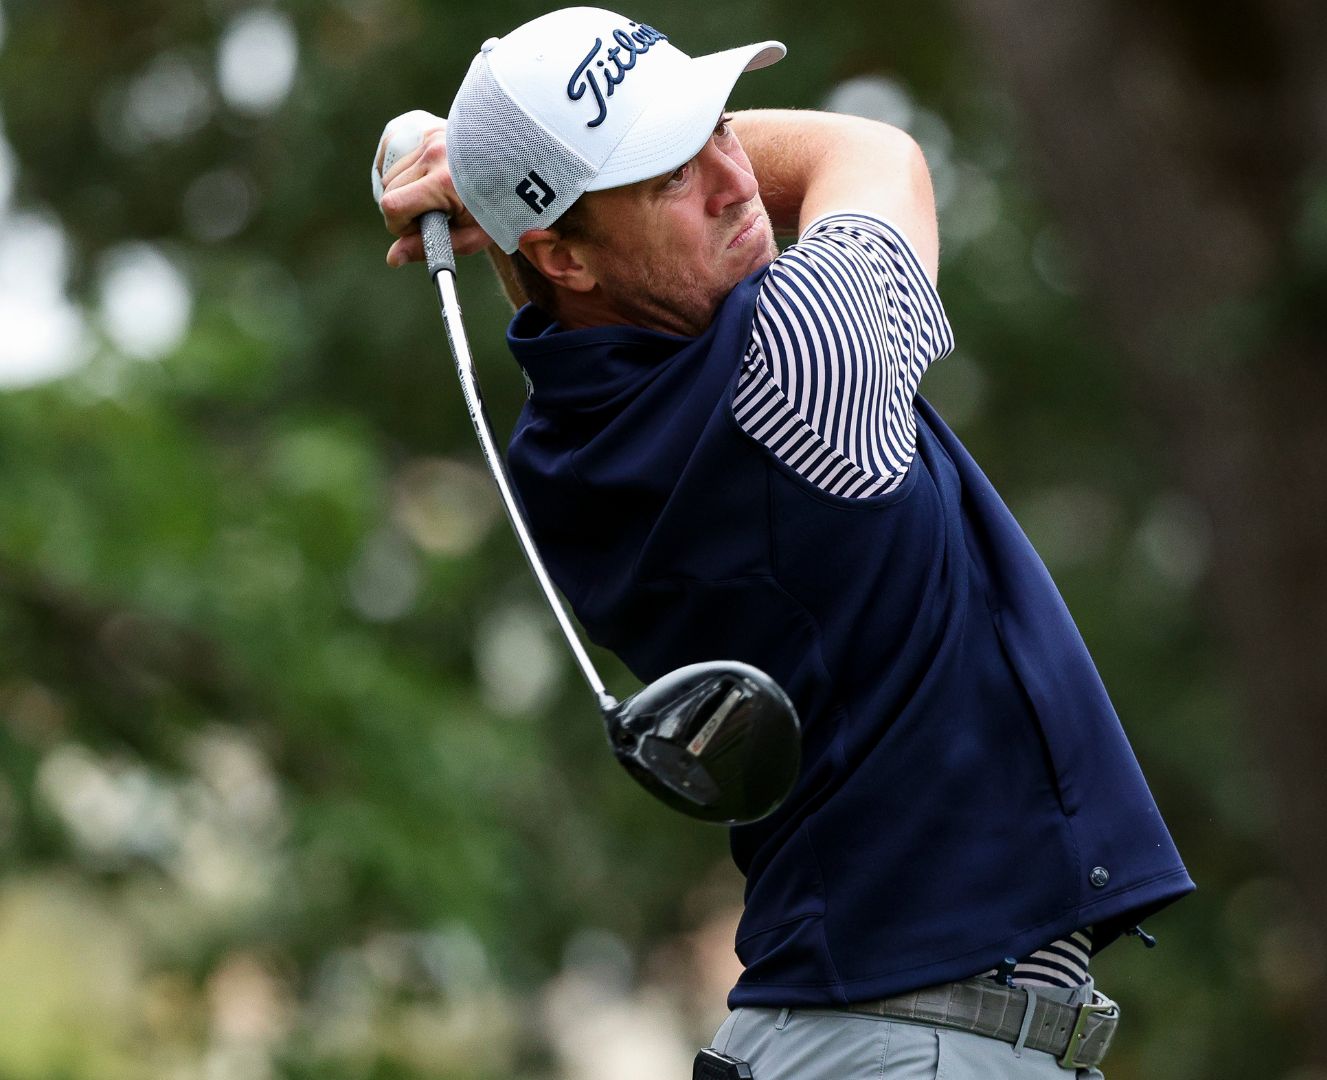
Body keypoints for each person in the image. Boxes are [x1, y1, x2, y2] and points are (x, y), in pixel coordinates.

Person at [375, 8, 1192, 1077]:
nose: (733, 178)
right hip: (920, 1040)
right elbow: (870, 153)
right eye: (670, 173)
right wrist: (491, 183)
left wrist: (517, 181)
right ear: (562, 255)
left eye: (716, 127)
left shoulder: (558, 452)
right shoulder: (804, 364)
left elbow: (583, 301)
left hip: (856, 1029)